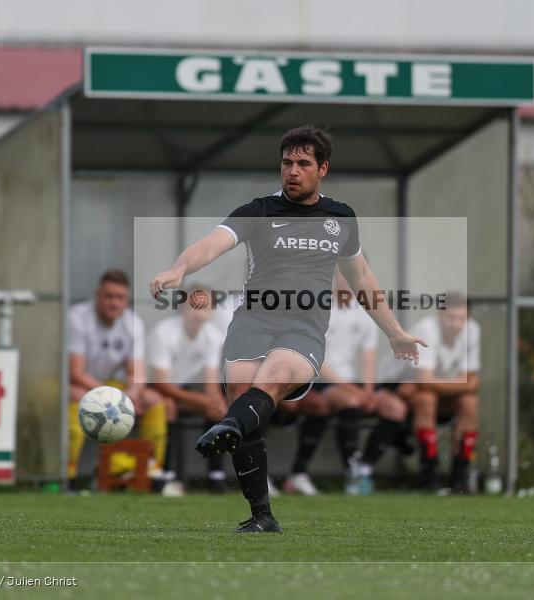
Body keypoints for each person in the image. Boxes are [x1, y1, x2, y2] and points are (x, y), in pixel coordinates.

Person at [150, 125, 425, 533]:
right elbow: (211, 244)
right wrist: (179, 268)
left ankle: (228, 426)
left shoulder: (340, 218)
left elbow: (363, 279)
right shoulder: (258, 211)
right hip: (253, 320)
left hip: (305, 326)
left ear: (322, 169)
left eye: (303, 164)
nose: (292, 171)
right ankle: (262, 516)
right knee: (243, 398)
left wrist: (395, 332)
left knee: (272, 379)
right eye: (286, 163)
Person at [283, 268, 408, 496]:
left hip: (353, 383)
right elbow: (315, 360)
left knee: (396, 408)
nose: (345, 278)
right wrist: (353, 390)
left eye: (351, 272)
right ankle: (351, 473)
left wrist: (368, 391)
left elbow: (368, 358)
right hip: (320, 380)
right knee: (350, 402)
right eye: (341, 272)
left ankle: (364, 468)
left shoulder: (365, 311)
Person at [68, 269, 165, 487]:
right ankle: (68, 473)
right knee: (77, 397)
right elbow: (75, 372)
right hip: (80, 384)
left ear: (126, 300)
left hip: (112, 386)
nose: (114, 303)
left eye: (119, 298)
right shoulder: (78, 318)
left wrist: (129, 396)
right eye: (108, 296)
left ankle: (150, 471)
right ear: (97, 295)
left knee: (154, 402)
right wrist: (112, 398)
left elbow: (136, 372)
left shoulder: (133, 323)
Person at [378, 293, 481, 493]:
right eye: (451, 318)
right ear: (440, 315)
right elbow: (428, 380)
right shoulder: (427, 329)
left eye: (461, 318)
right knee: (427, 399)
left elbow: (472, 382)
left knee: (469, 403)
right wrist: (463, 384)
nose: (456, 324)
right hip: (392, 385)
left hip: (428, 386)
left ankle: (459, 478)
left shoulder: (473, 330)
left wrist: (432, 383)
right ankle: (429, 477)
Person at [148, 286, 228, 495]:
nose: (199, 311)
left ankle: (215, 475)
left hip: (182, 389)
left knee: (217, 408)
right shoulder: (164, 332)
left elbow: (211, 381)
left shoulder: (213, 335)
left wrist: (216, 401)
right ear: (182, 307)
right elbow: (160, 383)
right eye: (194, 305)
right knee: (168, 406)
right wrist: (199, 400)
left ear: (211, 311)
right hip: (156, 389)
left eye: (205, 306)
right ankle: (165, 475)